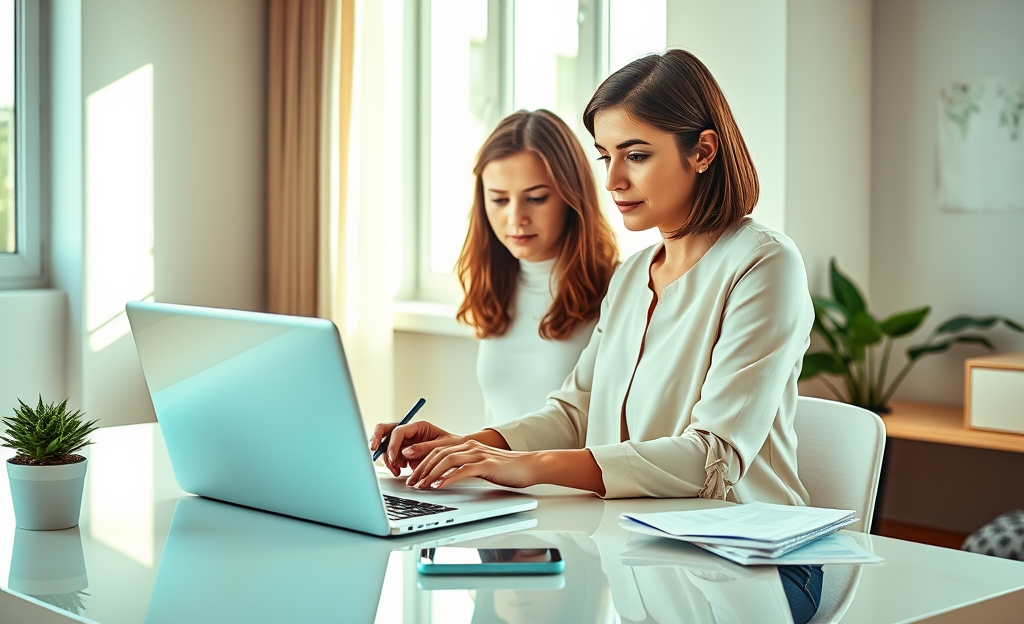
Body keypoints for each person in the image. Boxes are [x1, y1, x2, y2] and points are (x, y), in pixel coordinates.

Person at [371, 49, 821, 622]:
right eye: (605, 156)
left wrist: (527, 466)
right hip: (642, 549)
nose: (612, 180)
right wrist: (469, 447)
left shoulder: (764, 263)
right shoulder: (634, 275)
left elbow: (713, 461)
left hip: (750, 561)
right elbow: (574, 409)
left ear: (703, 151)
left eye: (636, 155)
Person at [454, 110, 619, 426]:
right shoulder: (496, 286)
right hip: (491, 460)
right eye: (499, 200)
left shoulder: (618, 291)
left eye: (536, 198)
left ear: (571, 197)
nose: (516, 218)